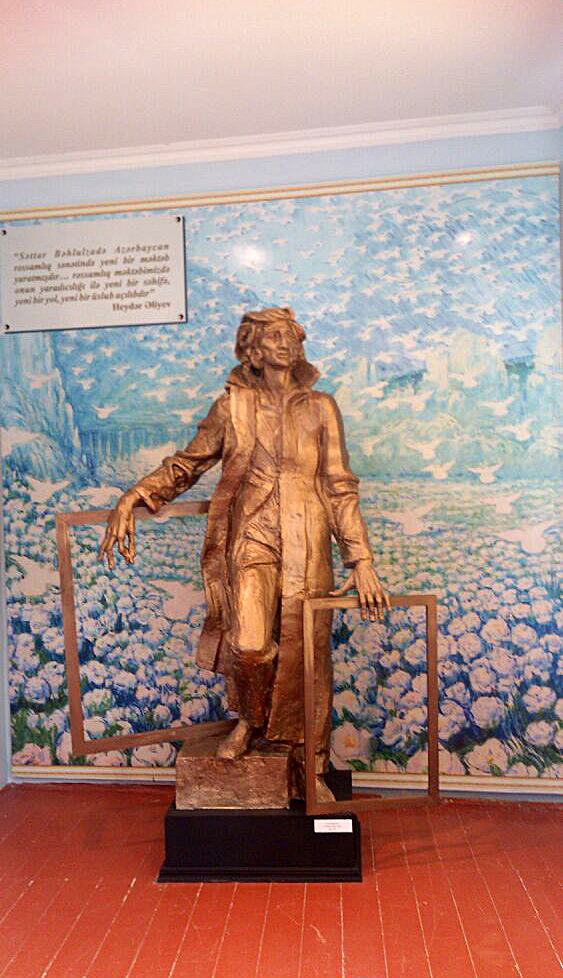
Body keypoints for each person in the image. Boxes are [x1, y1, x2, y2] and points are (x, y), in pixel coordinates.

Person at [99, 307, 389, 800]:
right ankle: (252, 721)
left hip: (307, 538)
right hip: (252, 535)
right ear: (252, 350)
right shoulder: (231, 407)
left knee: (308, 652)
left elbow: (339, 485)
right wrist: (135, 496)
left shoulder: (321, 407)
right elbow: (187, 464)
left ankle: (310, 766)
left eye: (290, 335)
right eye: (273, 336)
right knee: (250, 644)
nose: (285, 343)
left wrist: (360, 560)